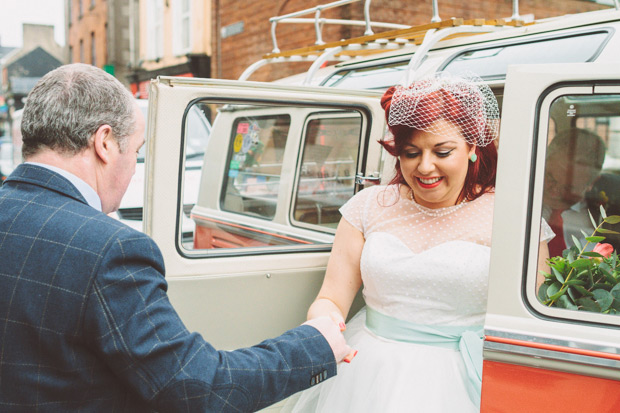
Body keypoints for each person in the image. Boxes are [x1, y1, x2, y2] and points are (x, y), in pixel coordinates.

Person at [0, 63, 354, 412]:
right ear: (105, 142)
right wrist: (313, 345)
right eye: (136, 151)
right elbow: (197, 389)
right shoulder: (109, 249)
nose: (134, 164)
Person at [286, 72, 548, 412]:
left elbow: (533, 316)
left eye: (442, 151)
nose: (425, 167)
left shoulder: (512, 216)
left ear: (472, 147)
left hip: (466, 376)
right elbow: (331, 298)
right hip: (367, 369)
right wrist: (326, 323)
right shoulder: (368, 206)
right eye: (411, 153)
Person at [542, 128, 606, 257]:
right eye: (551, 179)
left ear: (591, 182)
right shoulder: (523, 201)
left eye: (567, 187)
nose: (554, 190)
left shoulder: (600, 218)